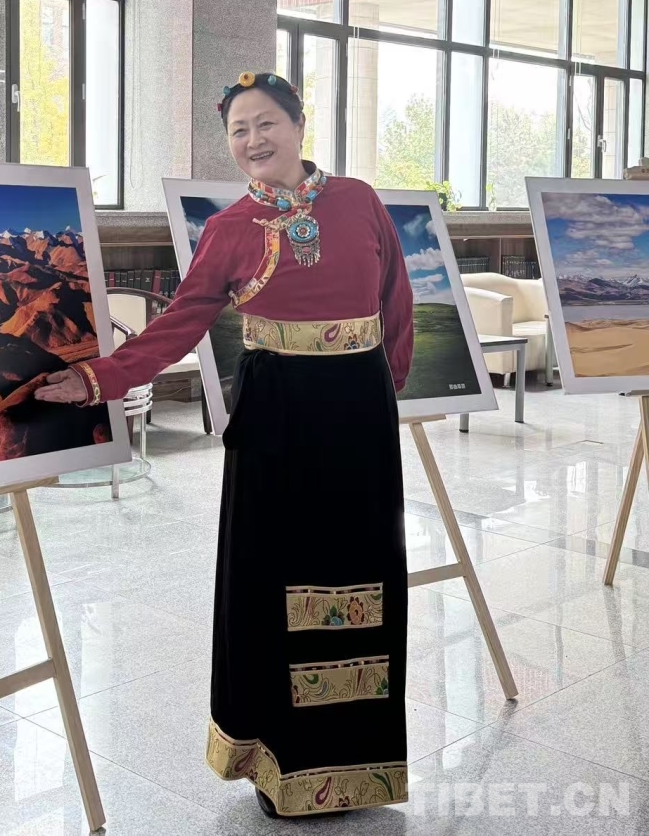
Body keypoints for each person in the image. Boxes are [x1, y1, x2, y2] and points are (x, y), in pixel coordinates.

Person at [36, 71, 415, 819]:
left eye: (266, 122)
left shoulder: (360, 201)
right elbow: (180, 323)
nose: (253, 140)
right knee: (278, 584)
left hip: (359, 418)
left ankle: (360, 765)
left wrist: (383, 388)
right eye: (239, 130)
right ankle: (281, 764)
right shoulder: (230, 228)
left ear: (299, 125)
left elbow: (395, 300)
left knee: (364, 574)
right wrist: (96, 380)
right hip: (279, 419)